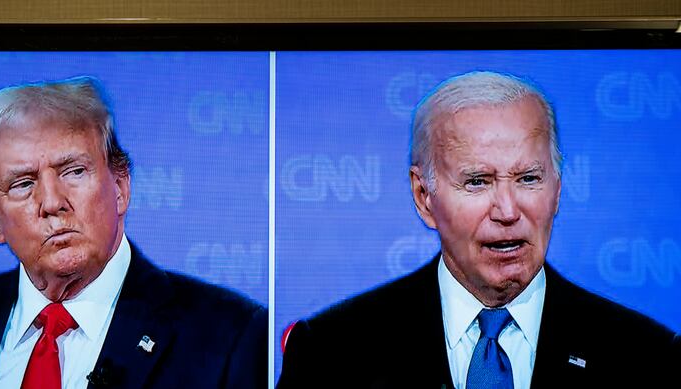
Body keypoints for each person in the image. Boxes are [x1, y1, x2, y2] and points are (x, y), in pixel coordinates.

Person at [277, 70, 679, 388]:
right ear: (423, 196)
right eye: (477, 182)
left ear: (557, 191)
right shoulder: (331, 353)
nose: (507, 210)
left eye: (528, 179)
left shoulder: (649, 359)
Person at [0, 76, 267, 389]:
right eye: (22, 183)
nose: (51, 202)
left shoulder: (227, 338)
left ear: (120, 187)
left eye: (73, 171)